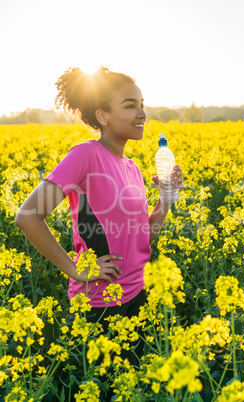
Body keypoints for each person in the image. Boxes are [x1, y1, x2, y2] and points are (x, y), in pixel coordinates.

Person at [15, 66, 184, 400]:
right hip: (99, 305)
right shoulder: (86, 155)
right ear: (103, 116)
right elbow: (28, 216)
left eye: (142, 104)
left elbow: (142, 237)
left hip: (139, 295)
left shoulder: (132, 167)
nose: (142, 113)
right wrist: (75, 268)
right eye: (130, 105)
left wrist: (165, 203)